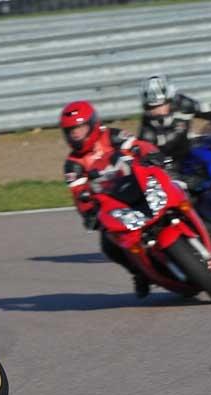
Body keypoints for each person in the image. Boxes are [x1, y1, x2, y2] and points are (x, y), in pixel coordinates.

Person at [60, 100, 161, 299]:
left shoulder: (111, 135)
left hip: (138, 185)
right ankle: (139, 273)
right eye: (72, 131)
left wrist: (151, 154)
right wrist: (89, 213)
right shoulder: (72, 165)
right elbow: (79, 194)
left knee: (178, 186)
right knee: (108, 244)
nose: (77, 134)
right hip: (115, 204)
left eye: (80, 127)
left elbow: (137, 145)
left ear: (92, 123)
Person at [137, 74, 211, 193]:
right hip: (171, 166)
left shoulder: (183, 104)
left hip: (192, 153)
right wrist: (177, 177)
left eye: (162, 104)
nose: (158, 110)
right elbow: (148, 163)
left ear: (170, 99)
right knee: (194, 188)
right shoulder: (147, 132)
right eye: (152, 107)